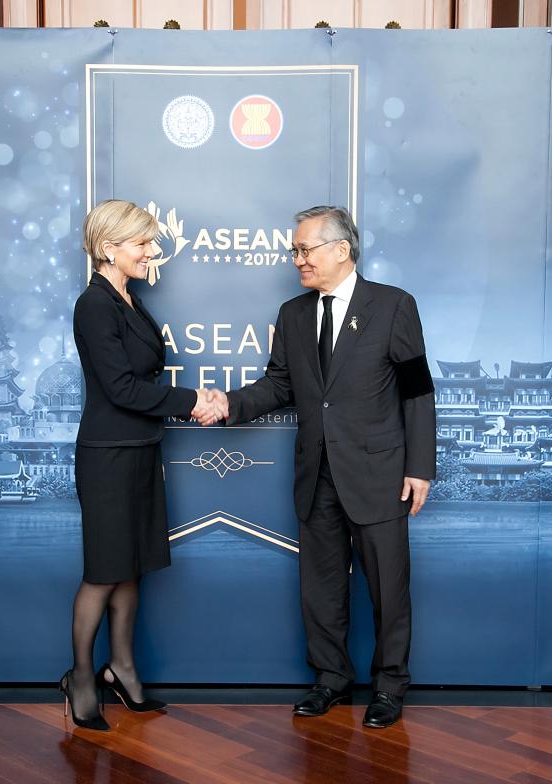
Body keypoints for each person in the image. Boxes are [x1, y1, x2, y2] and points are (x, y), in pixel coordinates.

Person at [207, 205, 435, 728]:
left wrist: (419, 467)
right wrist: (228, 404)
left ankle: (389, 686)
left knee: (388, 587)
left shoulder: (394, 306)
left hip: (378, 473)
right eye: (295, 250)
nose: (297, 260)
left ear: (341, 250)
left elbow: (418, 394)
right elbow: (279, 386)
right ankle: (330, 678)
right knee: (321, 586)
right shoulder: (292, 315)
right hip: (317, 475)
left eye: (305, 249)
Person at [61, 199, 220, 731]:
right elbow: (123, 388)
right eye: (143, 243)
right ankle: (81, 675)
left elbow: (142, 379)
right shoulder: (94, 305)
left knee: (130, 566)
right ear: (109, 248)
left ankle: (122, 669)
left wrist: (183, 402)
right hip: (107, 456)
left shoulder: (128, 299)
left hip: (140, 450)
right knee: (105, 569)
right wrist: (193, 400)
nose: (154, 251)